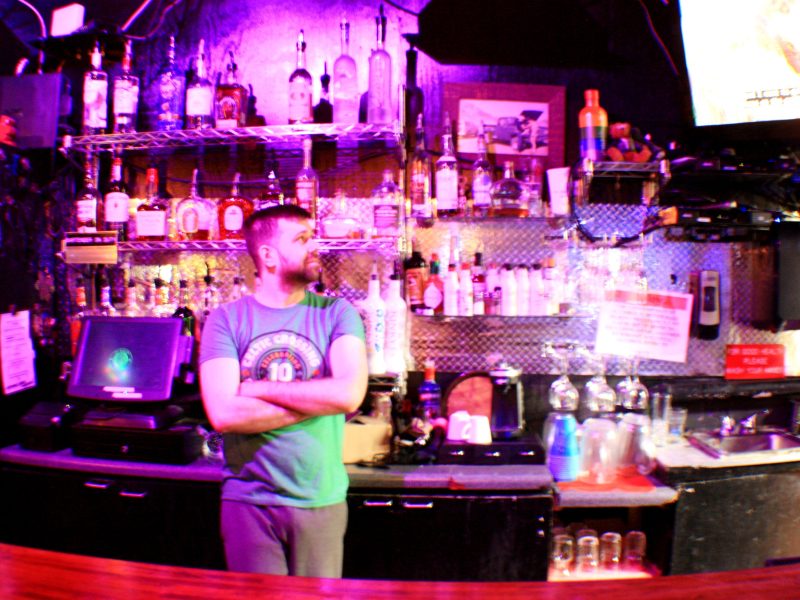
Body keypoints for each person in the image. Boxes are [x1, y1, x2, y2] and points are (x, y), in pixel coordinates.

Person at [199, 204, 368, 577]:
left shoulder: (337, 313)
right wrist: (321, 399)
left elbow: (350, 396)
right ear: (268, 256)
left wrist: (257, 388)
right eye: (303, 239)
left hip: (319, 499)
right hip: (248, 502)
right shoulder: (225, 320)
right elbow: (224, 414)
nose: (316, 246)